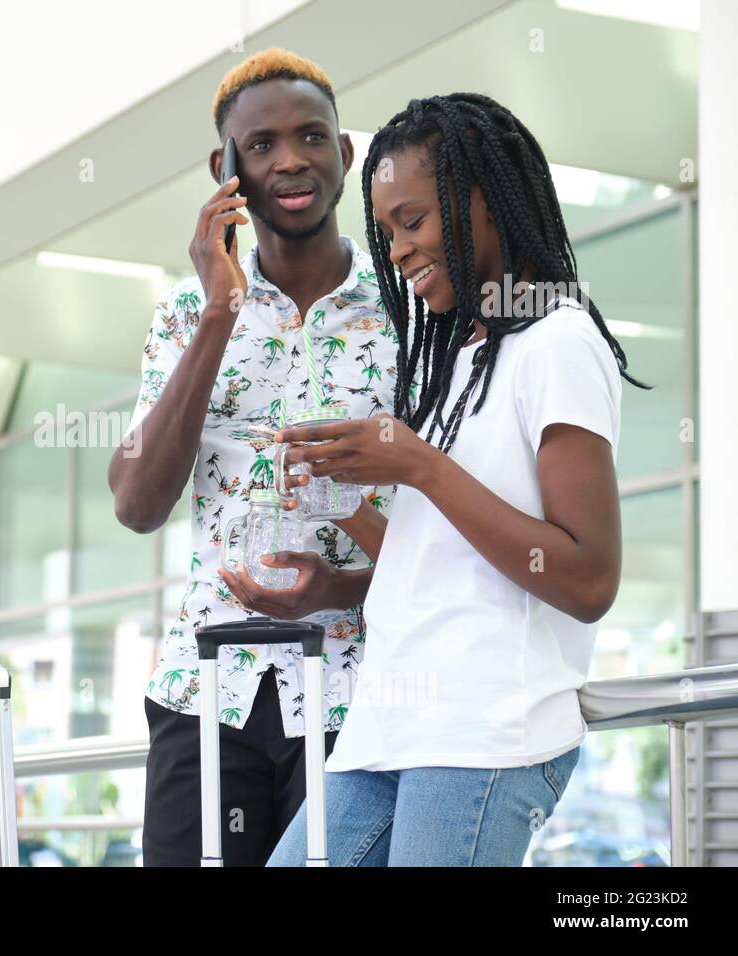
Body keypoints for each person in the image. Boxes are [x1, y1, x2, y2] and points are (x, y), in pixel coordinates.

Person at [245, 92, 645, 866]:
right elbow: (450, 562)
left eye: (414, 221)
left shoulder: (559, 341)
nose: (395, 251)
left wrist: (418, 465)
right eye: (387, 230)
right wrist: (351, 509)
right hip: (391, 727)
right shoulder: (460, 357)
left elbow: (589, 578)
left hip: (484, 730)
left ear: (483, 201)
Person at [109, 48, 399, 867]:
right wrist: (218, 315)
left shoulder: (410, 315)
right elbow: (135, 503)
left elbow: (443, 531)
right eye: (261, 144)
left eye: (311, 136)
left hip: (361, 693)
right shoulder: (182, 317)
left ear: (346, 153)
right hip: (207, 694)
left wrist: (344, 587)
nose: (290, 160)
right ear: (225, 170)